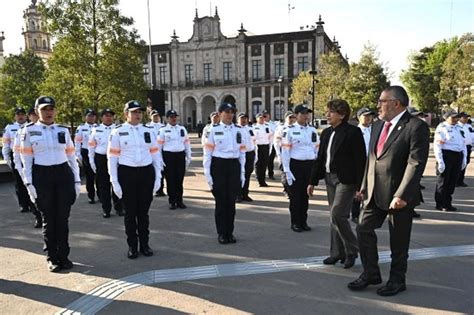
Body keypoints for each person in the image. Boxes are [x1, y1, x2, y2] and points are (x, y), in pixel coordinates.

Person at [347, 86, 429, 297]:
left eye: (382, 101)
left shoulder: (415, 126)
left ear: (397, 103)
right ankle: (371, 273)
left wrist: (402, 194)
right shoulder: (377, 125)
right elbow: (372, 158)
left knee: (398, 241)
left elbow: (415, 163)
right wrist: (364, 186)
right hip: (374, 191)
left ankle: (397, 280)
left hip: (398, 196)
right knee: (363, 229)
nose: (378, 105)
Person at [20, 96, 81, 272]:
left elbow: (71, 157)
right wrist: (29, 185)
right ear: (37, 111)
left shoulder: (63, 130)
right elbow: (27, 161)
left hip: (63, 175)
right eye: (44, 109)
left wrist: (76, 180)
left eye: (51, 109)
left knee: (62, 219)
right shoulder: (29, 132)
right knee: (49, 219)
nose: (48, 112)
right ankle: (52, 257)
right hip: (42, 175)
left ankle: (64, 256)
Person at [308, 100, 365, 269]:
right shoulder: (326, 133)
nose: (327, 115)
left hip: (346, 180)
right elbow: (320, 158)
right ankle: (337, 253)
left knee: (338, 214)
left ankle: (352, 250)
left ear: (342, 115)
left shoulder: (353, 132)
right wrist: (312, 181)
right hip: (329, 178)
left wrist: (361, 186)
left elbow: (360, 160)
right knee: (334, 217)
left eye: (330, 112)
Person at [108, 100, 162, 259]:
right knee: (130, 213)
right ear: (126, 114)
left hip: (146, 173)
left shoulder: (148, 131)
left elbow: (155, 155)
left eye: (139, 112)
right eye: (134, 112)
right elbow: (112, 159)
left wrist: (158, 177)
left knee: (143, 213)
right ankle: (133, 246)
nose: (138, 115)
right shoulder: (117, 132)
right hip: (127, 173)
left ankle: (145, 244)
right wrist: (114, 181)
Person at [203, 103, 246, 244]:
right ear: (220, 113)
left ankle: (230, 232)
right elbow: (207, 154)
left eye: (232, 112)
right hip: (219, 166)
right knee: (221, 202)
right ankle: (222, 233)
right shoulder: (213, 130)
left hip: (234, 166)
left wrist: (242, 173)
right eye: (227, 112)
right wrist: (208, 175)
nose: (230, 114)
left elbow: (242, 153)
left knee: (231, 202)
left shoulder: (238, 130)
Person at [281, 104, 319, 233]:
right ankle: (295, 222)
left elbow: (316, 148)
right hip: (295, 165)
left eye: (307, 113)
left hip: (309, 165)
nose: (306, 116)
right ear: (296, 115)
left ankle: (303, 221)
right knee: (296, 197)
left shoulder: (312, 130)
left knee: (305, 195)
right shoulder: (289, 130)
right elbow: (285, 151)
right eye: (303, 113)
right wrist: (287, 170)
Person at [88, 108, 123, 218]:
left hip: (116, 158)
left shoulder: (118, 129)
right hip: (101, 158)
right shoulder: (95, 130)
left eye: (110, 115)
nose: (108, 117)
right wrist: (92, 162)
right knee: (104, 185)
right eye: (106, 115)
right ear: (101, 117)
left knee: (117, 183)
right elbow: (91, 147)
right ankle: (106, 209)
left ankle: (119, 208)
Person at [12, 107, 43, 227]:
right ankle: (38, 216)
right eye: (32, 115)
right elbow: (16, 152)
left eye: (36, 114)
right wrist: (19, 168)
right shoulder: (22, 131)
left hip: (43, 167)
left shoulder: (47, 129)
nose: (35, 116)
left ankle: (46, 216)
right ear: (29, 116)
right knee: (32, 192)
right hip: (29, 166)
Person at [157, 110, 192, 210]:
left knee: (179, 179)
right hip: (168, 156)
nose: (174, 119)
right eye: (171, 117)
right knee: (170, 179)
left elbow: (187, 143)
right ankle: (172, 201)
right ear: (167, 119)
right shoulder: (163, 130)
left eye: (175, 117)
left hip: (180, 156)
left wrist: (188, 156)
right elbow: (159, 146)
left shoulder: (182, 129)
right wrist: (159, 159)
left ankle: (179, 200)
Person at [433, 109, 467, 212]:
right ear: (446, 118)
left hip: (458, 155)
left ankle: (448, 202)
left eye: (457, 117)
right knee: (443, 181)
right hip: (446, 155)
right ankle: (440, 203)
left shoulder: (459, 128)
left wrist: (464, 158)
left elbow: (463, 143)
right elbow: (437, 145)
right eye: (453, 117)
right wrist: (440, 160)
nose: (455, 119)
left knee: (452, 181)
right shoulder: (442, 128)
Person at [2, 107, 31, 213]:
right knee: (19, 182)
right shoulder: (10, 128)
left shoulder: (31, 126)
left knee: (31, 180)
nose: (20, 116)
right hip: (16, 156)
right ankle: (23, 204)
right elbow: (6, 144)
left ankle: (33, 203)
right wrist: (8, 159)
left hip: (29, 156)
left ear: (26, 115)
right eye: (18, 114)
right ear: (15, 116)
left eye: (22, 114)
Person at [351, 107, 376, 223]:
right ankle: (355, 213)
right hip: (359, 162)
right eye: (365, 116)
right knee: (358, 188)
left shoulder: (375, 130)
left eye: (370, 115)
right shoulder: (355, 131)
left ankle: (368, 210)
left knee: (371, 186)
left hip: (372, 161)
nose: (368, 118)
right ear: (359, 117)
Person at [75, 109, 97, 204]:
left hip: (97, 153)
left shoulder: (99, 127)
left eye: (93, 116)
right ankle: (91, 196)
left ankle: (101, 194)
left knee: (100, 175)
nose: (91, 117)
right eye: (89, 115)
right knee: (90, 175)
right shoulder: (81, 128)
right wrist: (78, 154)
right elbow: (77, 142)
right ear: (85, 117)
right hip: (86, 152)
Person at [274, 111, 296, 198]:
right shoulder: (281, 128)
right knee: (285, 172)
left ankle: (292, 189)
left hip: (293, 153)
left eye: (293, 117)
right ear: (285, 118)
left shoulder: (295, 127)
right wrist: (279, 155)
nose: (291, 119)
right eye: (289, 117)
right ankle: (286, 190)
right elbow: (276, 142)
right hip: (283, 152)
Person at [236, 112, 257, 202]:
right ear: (238, 120)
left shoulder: (250, 129)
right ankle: (238, 195)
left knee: (247, 174)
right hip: (240, 155)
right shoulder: (235, 129)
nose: (244, 120)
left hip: (250, 153)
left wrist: (255, 153)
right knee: (239, 175)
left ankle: (245, 194)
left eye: (245, 118)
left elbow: (254, 142)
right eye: (242, 118)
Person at [147, 110, 166, 197]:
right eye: (154, 116)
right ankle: (153, 188)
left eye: (157, 116)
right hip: (151, 152)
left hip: (161, 151)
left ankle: (160, 189)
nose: (156, 117)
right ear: (150, 117)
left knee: (161, 170)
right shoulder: (147, 127)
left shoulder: (163, 126)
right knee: (152, 170)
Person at [253, 113, 273, 187]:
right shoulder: (254, 127)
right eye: (260, 118)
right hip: (258, 147)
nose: (262, 119)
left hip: (265, 146)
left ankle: (263, 180)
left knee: (264, 164)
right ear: (257, 119)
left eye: (262, 118)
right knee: (258, 163)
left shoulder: (267, 126)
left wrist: (270, 145)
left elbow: (271, 136)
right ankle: (259, 180)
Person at [456, 112, 472, 187]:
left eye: (467, 118)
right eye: (464, 117)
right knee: (458, 164)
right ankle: (455, 181)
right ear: (460, 117)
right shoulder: (457, 126)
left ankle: (460, 180)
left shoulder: (468, 126)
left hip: (468, 147)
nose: (466, 119)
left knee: (465, 163)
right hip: (461, 147)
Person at [263, 111, 278, 180]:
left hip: (272, 145)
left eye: (266, 116)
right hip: (264, 145)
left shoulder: (273, 124)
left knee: (270, 160)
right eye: (264, 116)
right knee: (263, 161)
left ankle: (270, 174)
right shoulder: (260, 125)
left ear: (269, 116)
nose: (265, 118)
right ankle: (262, 175)